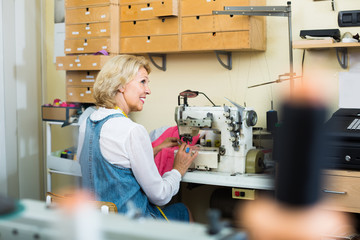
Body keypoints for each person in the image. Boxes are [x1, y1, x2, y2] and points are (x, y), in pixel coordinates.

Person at [77, 54, 198, 222]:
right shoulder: (132, 130)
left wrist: (153, 149)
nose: (148, 90)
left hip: (98, 225)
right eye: (143, 82)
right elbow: (160, 196)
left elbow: (113, 160)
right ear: (120, 85)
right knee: (182, 210)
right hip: (130, 229)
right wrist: (178, 169)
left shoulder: (87, 123)